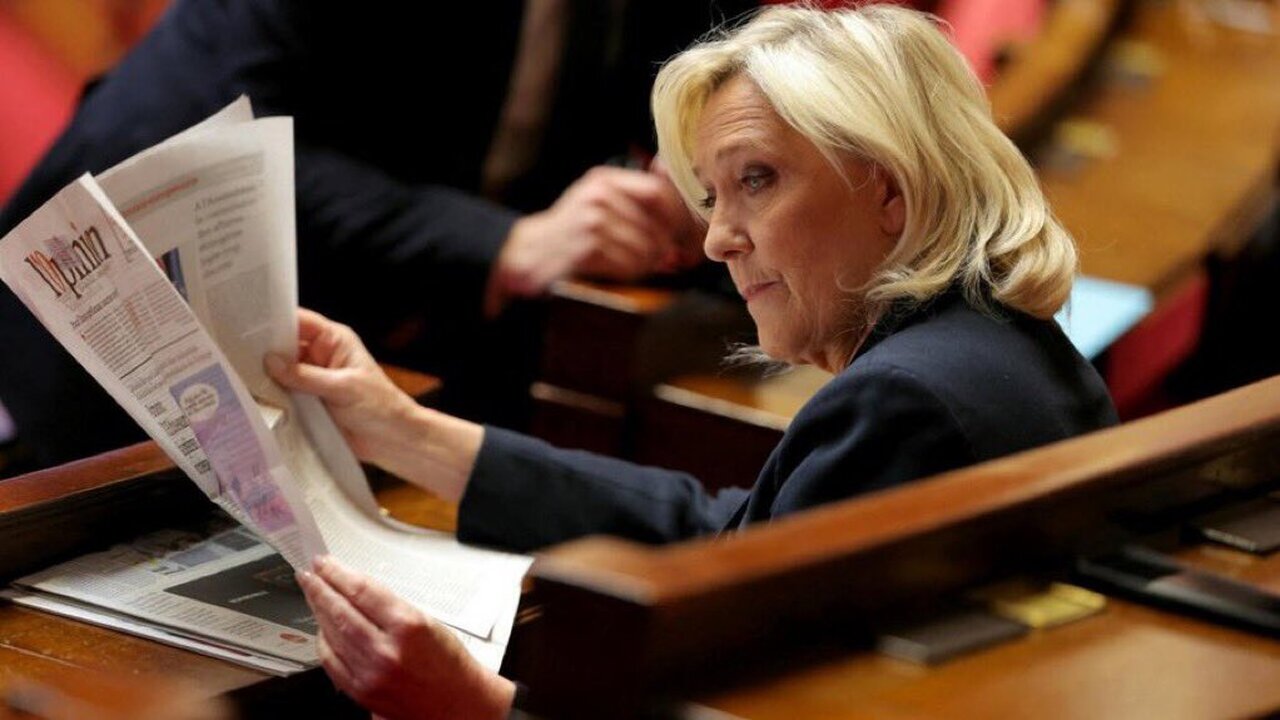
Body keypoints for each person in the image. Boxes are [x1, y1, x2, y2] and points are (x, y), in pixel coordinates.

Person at [270, 5, 1119, 718]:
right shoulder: (998, 346)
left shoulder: (903, 404)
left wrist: (472, 704)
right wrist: (406, 432)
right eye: (712, 197)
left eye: (758, 179)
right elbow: (729, 539)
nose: (718, 238)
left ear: (891, 190)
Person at [0, 1, 755, 470]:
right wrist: (502, 242)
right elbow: (218, 139)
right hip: (110, 326)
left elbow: (711, 85)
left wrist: (696, 188)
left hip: (400, 353)